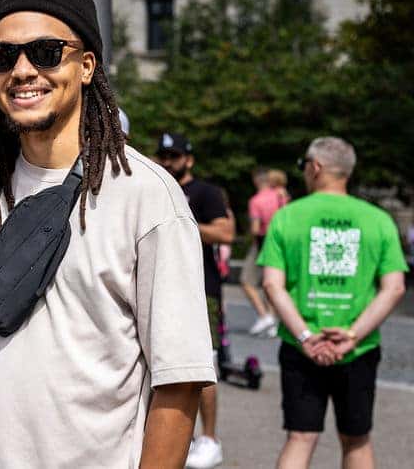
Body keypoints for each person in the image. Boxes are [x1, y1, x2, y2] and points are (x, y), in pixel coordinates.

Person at [0, 0, 215, 468]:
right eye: (2, 56)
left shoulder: (146, 195)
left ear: (88, 65)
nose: (23, 70)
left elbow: (179, 383)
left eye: (46, 52)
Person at [259, 137, 407, 469]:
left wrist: (306, 336)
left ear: (316, 167)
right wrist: (353, 335)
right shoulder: (378, 219)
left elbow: (271, 283)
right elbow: (394, 288)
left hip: (300, 346)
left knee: (300, 437)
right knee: (357, 440)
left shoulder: (287, 217)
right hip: (358, 347)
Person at [155, 132, 235, 469]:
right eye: (164, 155)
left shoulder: (206, 192)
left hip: (203, 288)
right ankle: (173, 438)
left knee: (203, 367)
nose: (168, 161)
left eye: (174, 156)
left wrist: (181, 222)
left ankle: (210, 438)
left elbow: (225, 233)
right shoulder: (155, 185)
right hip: (162, 283)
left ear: (189, 159)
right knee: (163, 366)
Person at [243, 167, 288, 336]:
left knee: (247, 280)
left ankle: (264, 316)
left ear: (256, 181)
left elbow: (255, 229)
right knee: (272, 282)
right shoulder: (281, 196)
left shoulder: (256, 201)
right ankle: (272, 319)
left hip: (263, 242)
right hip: (281, 242)